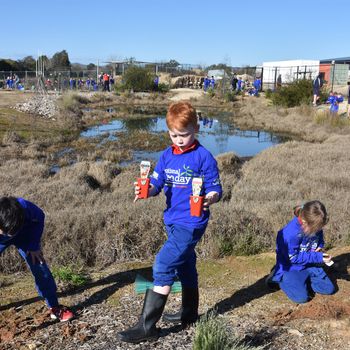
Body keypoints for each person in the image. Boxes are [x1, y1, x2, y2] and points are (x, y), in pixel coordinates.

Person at [118, 101, 222, 343]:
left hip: (193, 221)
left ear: (196, 129)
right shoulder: (166, 155)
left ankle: (148, 327)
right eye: (174, 135)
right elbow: (157, 183)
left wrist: (211, 197)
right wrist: (146, 190)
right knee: (185, 264)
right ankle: (189, 315)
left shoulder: (204, 157)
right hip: (172, 219)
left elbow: (216, 187)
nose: (179, 140)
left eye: (184, 135)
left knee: (163, 266)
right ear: (169, 133)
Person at [0, 197, 74, 322]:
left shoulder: (28, 209)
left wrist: (33, 245)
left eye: (9, 233)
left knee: (40, 266)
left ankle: (54, 307)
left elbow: (39, 219)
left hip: (24, 237)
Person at [267, 200, 335, 304]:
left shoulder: (315, 224)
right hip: (291, 267)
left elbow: (319, 240)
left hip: (309, 264)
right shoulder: (289, 234)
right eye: (315, 229)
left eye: (319, 228)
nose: (318, 231)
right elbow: (293, 258)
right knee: (302, 298)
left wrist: (320, 248)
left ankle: (302, 281)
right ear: (303, 221)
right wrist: (318, 257)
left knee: (328, 289)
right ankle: (277, 277)